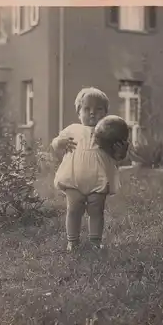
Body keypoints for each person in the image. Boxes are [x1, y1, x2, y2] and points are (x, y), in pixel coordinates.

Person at [51, 87, 128, 251]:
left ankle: (95, 242)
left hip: (98, 181)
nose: (92, 113)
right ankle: (73, 241)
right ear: (79, 112)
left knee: (96, 210)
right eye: (87, 109)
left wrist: (121, 151)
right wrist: (60, 143)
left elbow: (118, 157)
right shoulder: (73, 129)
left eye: (98, 109)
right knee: (73, 209)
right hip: (74, 179)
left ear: (106, 113)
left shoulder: (108, 133)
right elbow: (56, 143)